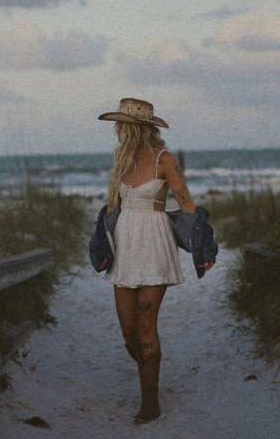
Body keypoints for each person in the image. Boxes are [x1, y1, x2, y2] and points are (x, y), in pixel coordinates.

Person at [90, 97, 217, 424]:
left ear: (133, 128)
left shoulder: (165, 159)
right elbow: (112, 208)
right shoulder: (120, 159)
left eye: (121, 125)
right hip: (125, 249)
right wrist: (99, 242)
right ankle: (149, 370)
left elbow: (187, 204)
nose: (117, 130)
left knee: (146, 326)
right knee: (128, 331)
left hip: (156, 246)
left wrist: (205, 247)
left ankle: (150, 402)